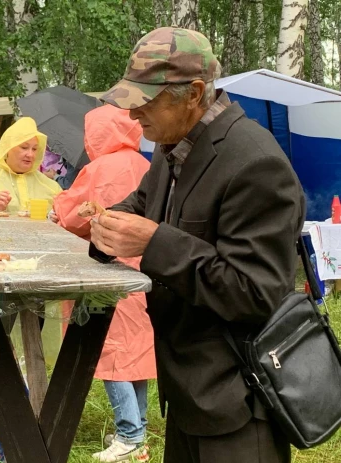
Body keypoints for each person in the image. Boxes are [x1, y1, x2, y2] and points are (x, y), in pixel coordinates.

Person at [89, 27, 305, 463]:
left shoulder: (254, 161)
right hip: (191, 393)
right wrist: (106, 222)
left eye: (147, 100)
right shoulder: (175, 149)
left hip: (239, 401)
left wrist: (153, 241)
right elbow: (141, 205)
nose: (134, 116)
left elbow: (255, 291)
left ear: (194, 93)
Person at [53, 105, 155, 462]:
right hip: (147, 268)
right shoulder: (147, 165)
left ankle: (130, 435)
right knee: (136, 352)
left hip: (108, 268)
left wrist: (56, 207)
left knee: (110, 350)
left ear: (97, 134)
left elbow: (70, 215)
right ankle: (137, 429)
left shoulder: (98, 169)